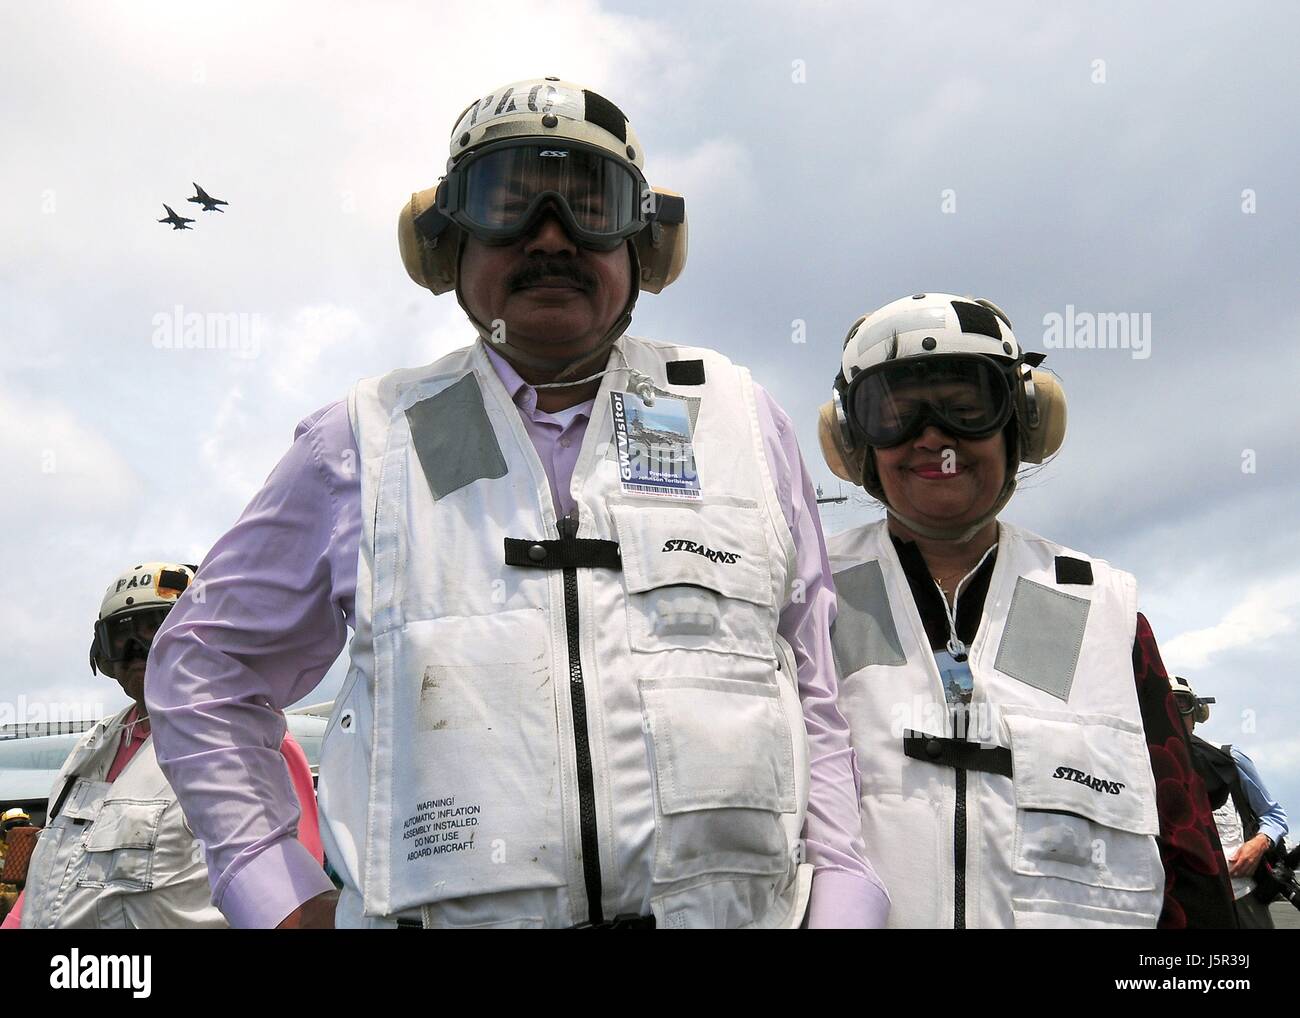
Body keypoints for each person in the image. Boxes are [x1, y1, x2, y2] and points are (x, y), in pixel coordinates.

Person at [146, 78, 888, 929]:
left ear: (645, 247)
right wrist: (274, 892)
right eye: (505, 204)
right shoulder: (365, 440)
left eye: (590, 206)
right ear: (445, 246)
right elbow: (203, 667)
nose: (549, 237)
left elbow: (813, 691)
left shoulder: (740, 422)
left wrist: (844, 900)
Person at [817, 292, 1237, 928]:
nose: (933, 439)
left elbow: (1188, 856)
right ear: (853, 443)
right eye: (895, 415)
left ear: (1025, 423)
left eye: (967, 409)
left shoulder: (1102, 614)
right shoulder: (807, 597)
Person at [2, 562, 323, 929]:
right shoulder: (90, 749)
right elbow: (52, 872)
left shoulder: (252, 739)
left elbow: (295, 892)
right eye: (122, 639)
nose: (138, 652)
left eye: (155, 630)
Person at [1172, 674, 1289, 928]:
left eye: (1180, 704)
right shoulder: (1139, 764)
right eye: (1163, 706)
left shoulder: (1228, 758)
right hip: (1174, 897)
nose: (1173, 715)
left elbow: (1274, 815)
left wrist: (1259, 843)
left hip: (1239, 894)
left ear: (1196, 711)